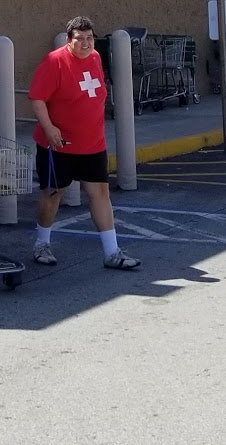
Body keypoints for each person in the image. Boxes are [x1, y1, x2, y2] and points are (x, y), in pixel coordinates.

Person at [29, 17, 141, 271]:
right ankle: (42, 243)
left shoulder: (96, 58)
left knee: (100, 193)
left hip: (92, 143)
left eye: (90, 38)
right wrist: (49, 128)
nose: (86, 43)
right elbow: (37, 98)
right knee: (53, 193)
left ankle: (112, 252)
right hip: (58, 145)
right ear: (69, 40)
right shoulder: (54, 62)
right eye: (80, 39)